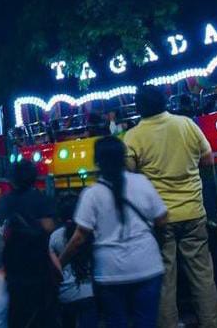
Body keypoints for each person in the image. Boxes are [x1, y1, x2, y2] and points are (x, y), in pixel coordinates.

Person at [123, 84, 217, 328]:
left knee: (165, 280)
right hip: (194, 210)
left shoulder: (133, 136)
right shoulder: (186, 124)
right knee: (202, 276)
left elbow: (129, 174)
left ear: (139, 106)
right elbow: (208, 158)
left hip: (159, 218)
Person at [60, 136, 167, 327]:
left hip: (110, 273)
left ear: (97, 161)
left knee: (116, 322)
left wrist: (59, 264)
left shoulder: (92, 194)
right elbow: (161, 219)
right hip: (147, 265)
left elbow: (79, 238)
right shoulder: (141, 182)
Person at [0, 159, 59, 328]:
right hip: (39, 267)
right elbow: (49, 227)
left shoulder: (5, 202)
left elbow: (1, 230)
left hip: (14, 268)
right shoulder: (40, 199)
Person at [49, 194, 96, 328]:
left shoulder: (55, 237)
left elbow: (54, 268)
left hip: (65, 296)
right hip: (89, 293)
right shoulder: (88, 235)